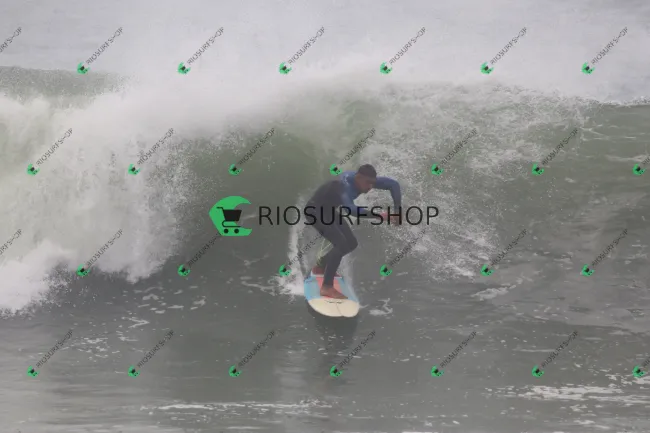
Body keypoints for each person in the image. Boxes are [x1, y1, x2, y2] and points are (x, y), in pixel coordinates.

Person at [305, 164, 402, 299]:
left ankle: (322, 265)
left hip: (329, 211)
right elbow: (351, 210)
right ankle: (327, 287)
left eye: (372, 183)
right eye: (368, 183)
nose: (370, 187)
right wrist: (379, 215)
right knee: (341, 244)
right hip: (314, 212)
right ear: (358, 177)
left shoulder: (364, 180)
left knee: (351, 243)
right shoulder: (344, 186)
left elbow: (393, 185)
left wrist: (397, 211)